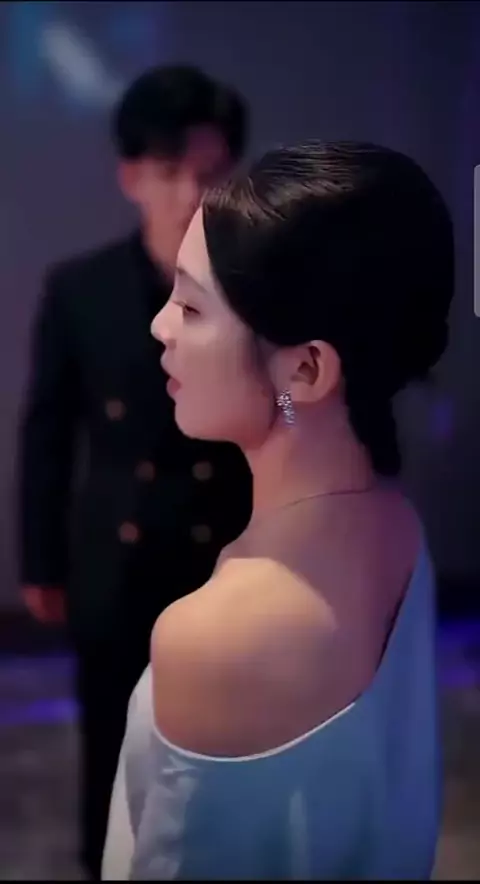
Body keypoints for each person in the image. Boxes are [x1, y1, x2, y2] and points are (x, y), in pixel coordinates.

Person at [102, 140, 454, 880]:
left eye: (191, 306)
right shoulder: (396, 524)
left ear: (306, 368)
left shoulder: (217, 635)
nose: (161, 326)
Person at [17, 65, 252, 879]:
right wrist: (40, 562)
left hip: (227, 555)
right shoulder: (80, 289)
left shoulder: (255, 288)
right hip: (116, 562)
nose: (192, 191)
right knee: (115, 756)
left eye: (211, 170)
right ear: (132, 176)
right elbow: (48, 433)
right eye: (171, 169)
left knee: (227, 757)